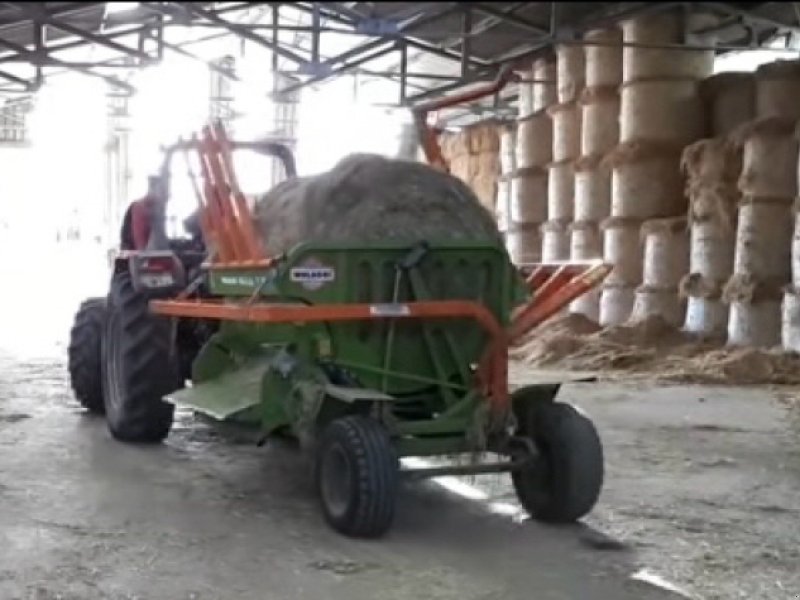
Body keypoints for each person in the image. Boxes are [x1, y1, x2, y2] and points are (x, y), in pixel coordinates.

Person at [120, 175, 165, 251]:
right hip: (137, 257)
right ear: (152, 189)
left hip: (145, 253)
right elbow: (141, 246)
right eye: (162, 191)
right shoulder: (140, 208)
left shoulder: (155, 208)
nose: (165, 195)